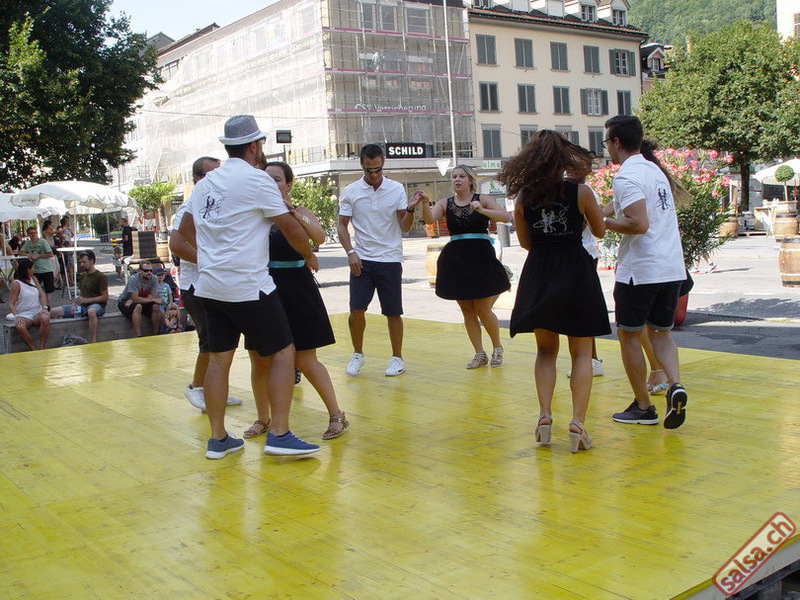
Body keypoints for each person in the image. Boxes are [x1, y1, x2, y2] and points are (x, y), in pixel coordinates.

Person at [177, 114, 320, 459]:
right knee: (283, 353)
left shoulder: (205, 184)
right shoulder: (257, 180)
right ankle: (280, 434)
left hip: (211, 286)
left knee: (218, 360)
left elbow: (184, 232)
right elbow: (291, 228)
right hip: (248, 285)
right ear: (255, 146)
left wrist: (212, 255)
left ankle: (218, 439)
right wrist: (309, 255)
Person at [497, 130, 609, 453]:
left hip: (540, 272)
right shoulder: (581, 192)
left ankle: (545, 417)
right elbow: (600, 231)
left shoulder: (523, 197)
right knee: (581, 353)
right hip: (575, 270)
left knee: (545, 351)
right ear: (563, 160)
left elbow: (525, 242)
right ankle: (577, 424)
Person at [249, 161, 348, 440]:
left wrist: (294, 214)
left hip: (297, 289)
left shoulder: (299, 212)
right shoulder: (255, 215)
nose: (271, 184)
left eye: (277, 179)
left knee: (305, 359)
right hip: (261, 288)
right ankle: (263, 418)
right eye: (266, 179)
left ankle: (336, 414)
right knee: (259, 359)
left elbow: (319, 236)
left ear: (288, 185)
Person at [602, 115, 688, 430]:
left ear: (617, 142)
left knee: (628, 336)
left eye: (606, 142)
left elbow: (637, 223)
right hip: (670, 267)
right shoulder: (653, 169)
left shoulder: (626, 176)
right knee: (661, 334)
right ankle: (675, 384)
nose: (606, 148)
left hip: (640, 271)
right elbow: (622, 205)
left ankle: (643, 406)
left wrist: (602, 223)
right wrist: (601, 210)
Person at [417, 165, 511, 369]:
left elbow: (505, 217)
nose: (457, 180)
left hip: (481, 257)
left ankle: (497, 348)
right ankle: (479, 353)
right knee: (467, 310)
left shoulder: (482, 198)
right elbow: (430, 219)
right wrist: (425, 202)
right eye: (454, 177)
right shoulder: (445, 203)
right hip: (456, 259)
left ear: (470, 180)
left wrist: (482, 210)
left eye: (461, 176)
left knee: (483, 309)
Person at [337, 144, 417, 377]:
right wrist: (350, 252)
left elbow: (404, 227)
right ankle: (357, 354)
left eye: (378, 169)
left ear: (383, 163)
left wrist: (411, 210)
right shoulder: (351, 191)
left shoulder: (396, 189)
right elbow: (342, 225)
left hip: (390, 258)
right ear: (361, 165)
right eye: (368, 170)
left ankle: (397, 358)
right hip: (362, 259)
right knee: (356, 309)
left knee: (393, 311)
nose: (373, 175)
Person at [170, 156, 243, 412]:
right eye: (212, 174)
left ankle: (215, 391)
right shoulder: (188, 207)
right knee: (210, 340)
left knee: (223, 340)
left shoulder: (215, 204)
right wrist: (208, 261)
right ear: (197, 179)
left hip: (215, 283)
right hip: (196, 285)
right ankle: (197, 387)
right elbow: (176, 244)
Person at [564, 160, 605, 378]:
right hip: (575, 254)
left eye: (577, 165)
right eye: (569, 164)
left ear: (587, 169)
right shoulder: (569, 191)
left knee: (582, 309)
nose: (571, 169)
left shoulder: (586, 192)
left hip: (584, 253)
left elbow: (597, 227)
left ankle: (591, 359)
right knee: (575, 310)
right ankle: (587, 358)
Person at [49, 250, 109, 343]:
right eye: (80, 262)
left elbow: (105, 297)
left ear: (91, 261)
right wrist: (74, 304)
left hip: (97, 305)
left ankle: (93, 341)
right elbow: (81, 293)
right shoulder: (83, 275)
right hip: (82, 306)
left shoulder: (100, 276)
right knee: (53, 311)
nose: (81, 265)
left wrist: (86, 300)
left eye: (84, 262)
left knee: (91, 311)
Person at [7, 257, 51, 351]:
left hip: (36, 311)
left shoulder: (34, 279)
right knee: (20, 326)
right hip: (24, 314)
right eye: (33, 268)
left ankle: (42, 346)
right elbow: (11, 303)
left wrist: (44, 308)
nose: (34, 269)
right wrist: (17, 316)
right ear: (28, 269)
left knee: (45, 318)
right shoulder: (16, 284)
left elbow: (41, 294)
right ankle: (33, 348)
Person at [117, 261, 164, 336]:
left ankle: (156, 333)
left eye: (151, 270)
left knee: (155, 306)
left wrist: (150, 299)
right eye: (146, 271)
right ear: (140, 271)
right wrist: (151, 299)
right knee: (138, 306)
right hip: (125, 301)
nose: (149, 273)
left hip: (140, 300)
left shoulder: (154, 278)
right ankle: (138, 335)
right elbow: (136, 299)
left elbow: (153, 295)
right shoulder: (133, 279)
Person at [19, 226, 55, 307]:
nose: (33, 235)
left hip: (46, 269)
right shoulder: (28, 243)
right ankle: (38, 304)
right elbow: (20, 252)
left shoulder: (43, 242)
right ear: (28, 235)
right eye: (31, 233)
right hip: (35, 270)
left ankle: (48, 305)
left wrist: (38, 256)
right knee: (34, 288)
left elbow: (50, 254)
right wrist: (28, 255)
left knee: (49, 289)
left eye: (35, 233)